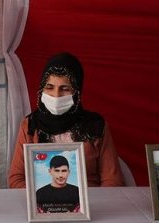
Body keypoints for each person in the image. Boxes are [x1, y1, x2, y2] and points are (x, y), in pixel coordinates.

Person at [9, 52, 124, 188]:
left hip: (92, 204)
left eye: (65, 89)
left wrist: (92, 205)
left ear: (77, 93)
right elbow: (16, 178)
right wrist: (39, 200)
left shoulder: (96, 126)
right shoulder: (30, 125)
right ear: (41, 90)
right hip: (43, 204)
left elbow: (112, 180)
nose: (56, 95)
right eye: (49, 87)